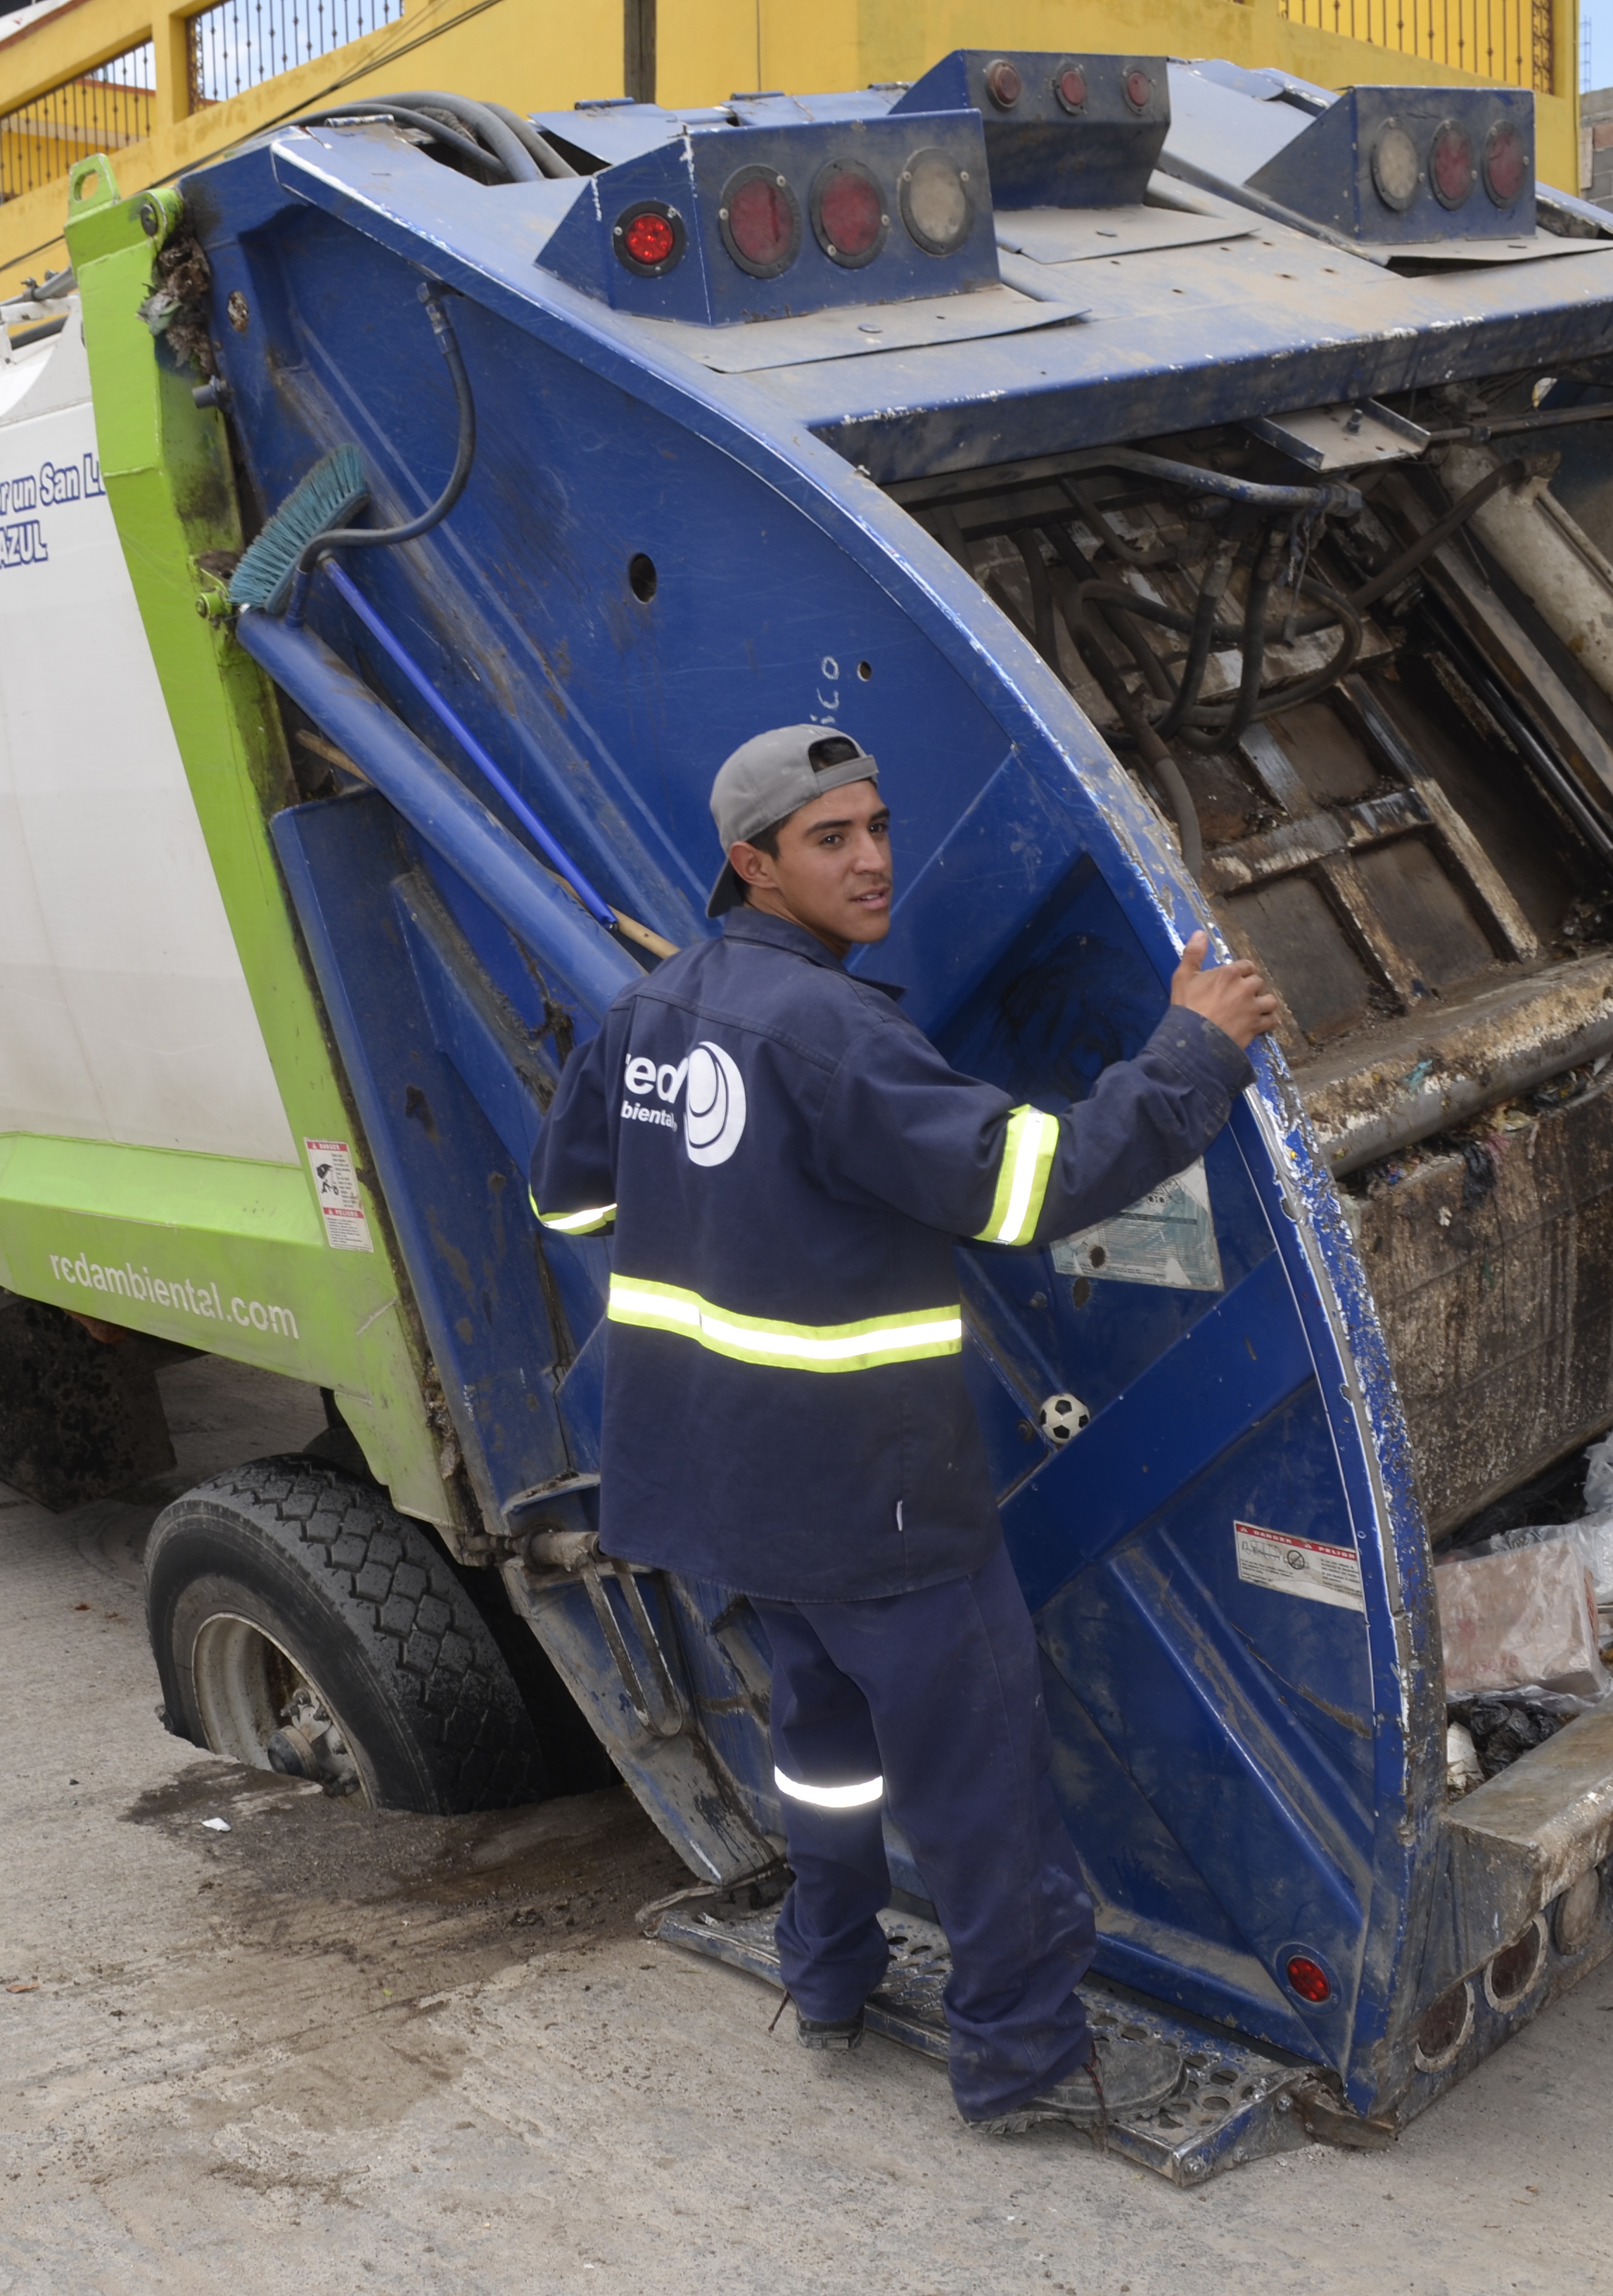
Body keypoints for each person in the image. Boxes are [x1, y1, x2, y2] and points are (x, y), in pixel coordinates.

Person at [528, 724, 1284, 2131]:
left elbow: (567, 1205)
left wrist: (727, 1207)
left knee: (824, 1754)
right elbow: (1019, 1188)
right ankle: (1019, 2065)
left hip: (724, 1493)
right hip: (869, 1496)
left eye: (875, 825)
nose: (871, 858)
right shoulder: (830, 1029)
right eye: (830, 839)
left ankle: (825, 1972)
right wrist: (1192, 1053)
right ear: (751, 863)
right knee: (978, 1788)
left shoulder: (649, 1009)